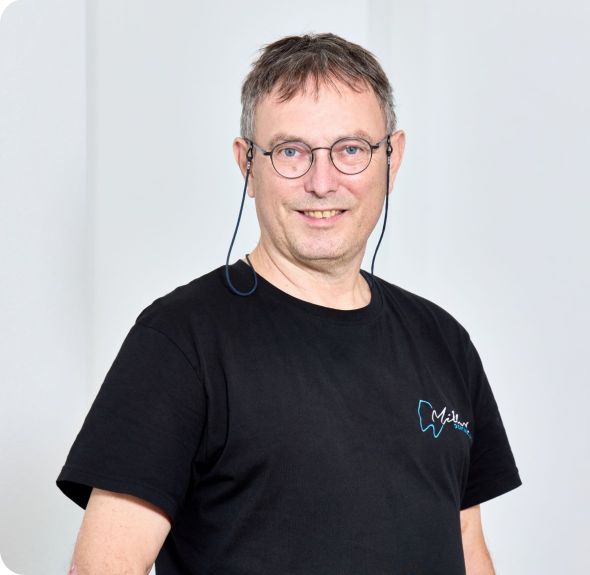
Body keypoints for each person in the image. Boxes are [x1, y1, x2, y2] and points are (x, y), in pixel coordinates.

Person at [57, 33, 522, 575]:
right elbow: (103, 567)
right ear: (247, 165)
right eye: (291, 152)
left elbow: (467, 548)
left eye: (351, 150)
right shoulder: (180, 341)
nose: (322, 183)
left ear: (392, 159)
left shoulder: (443, 341)